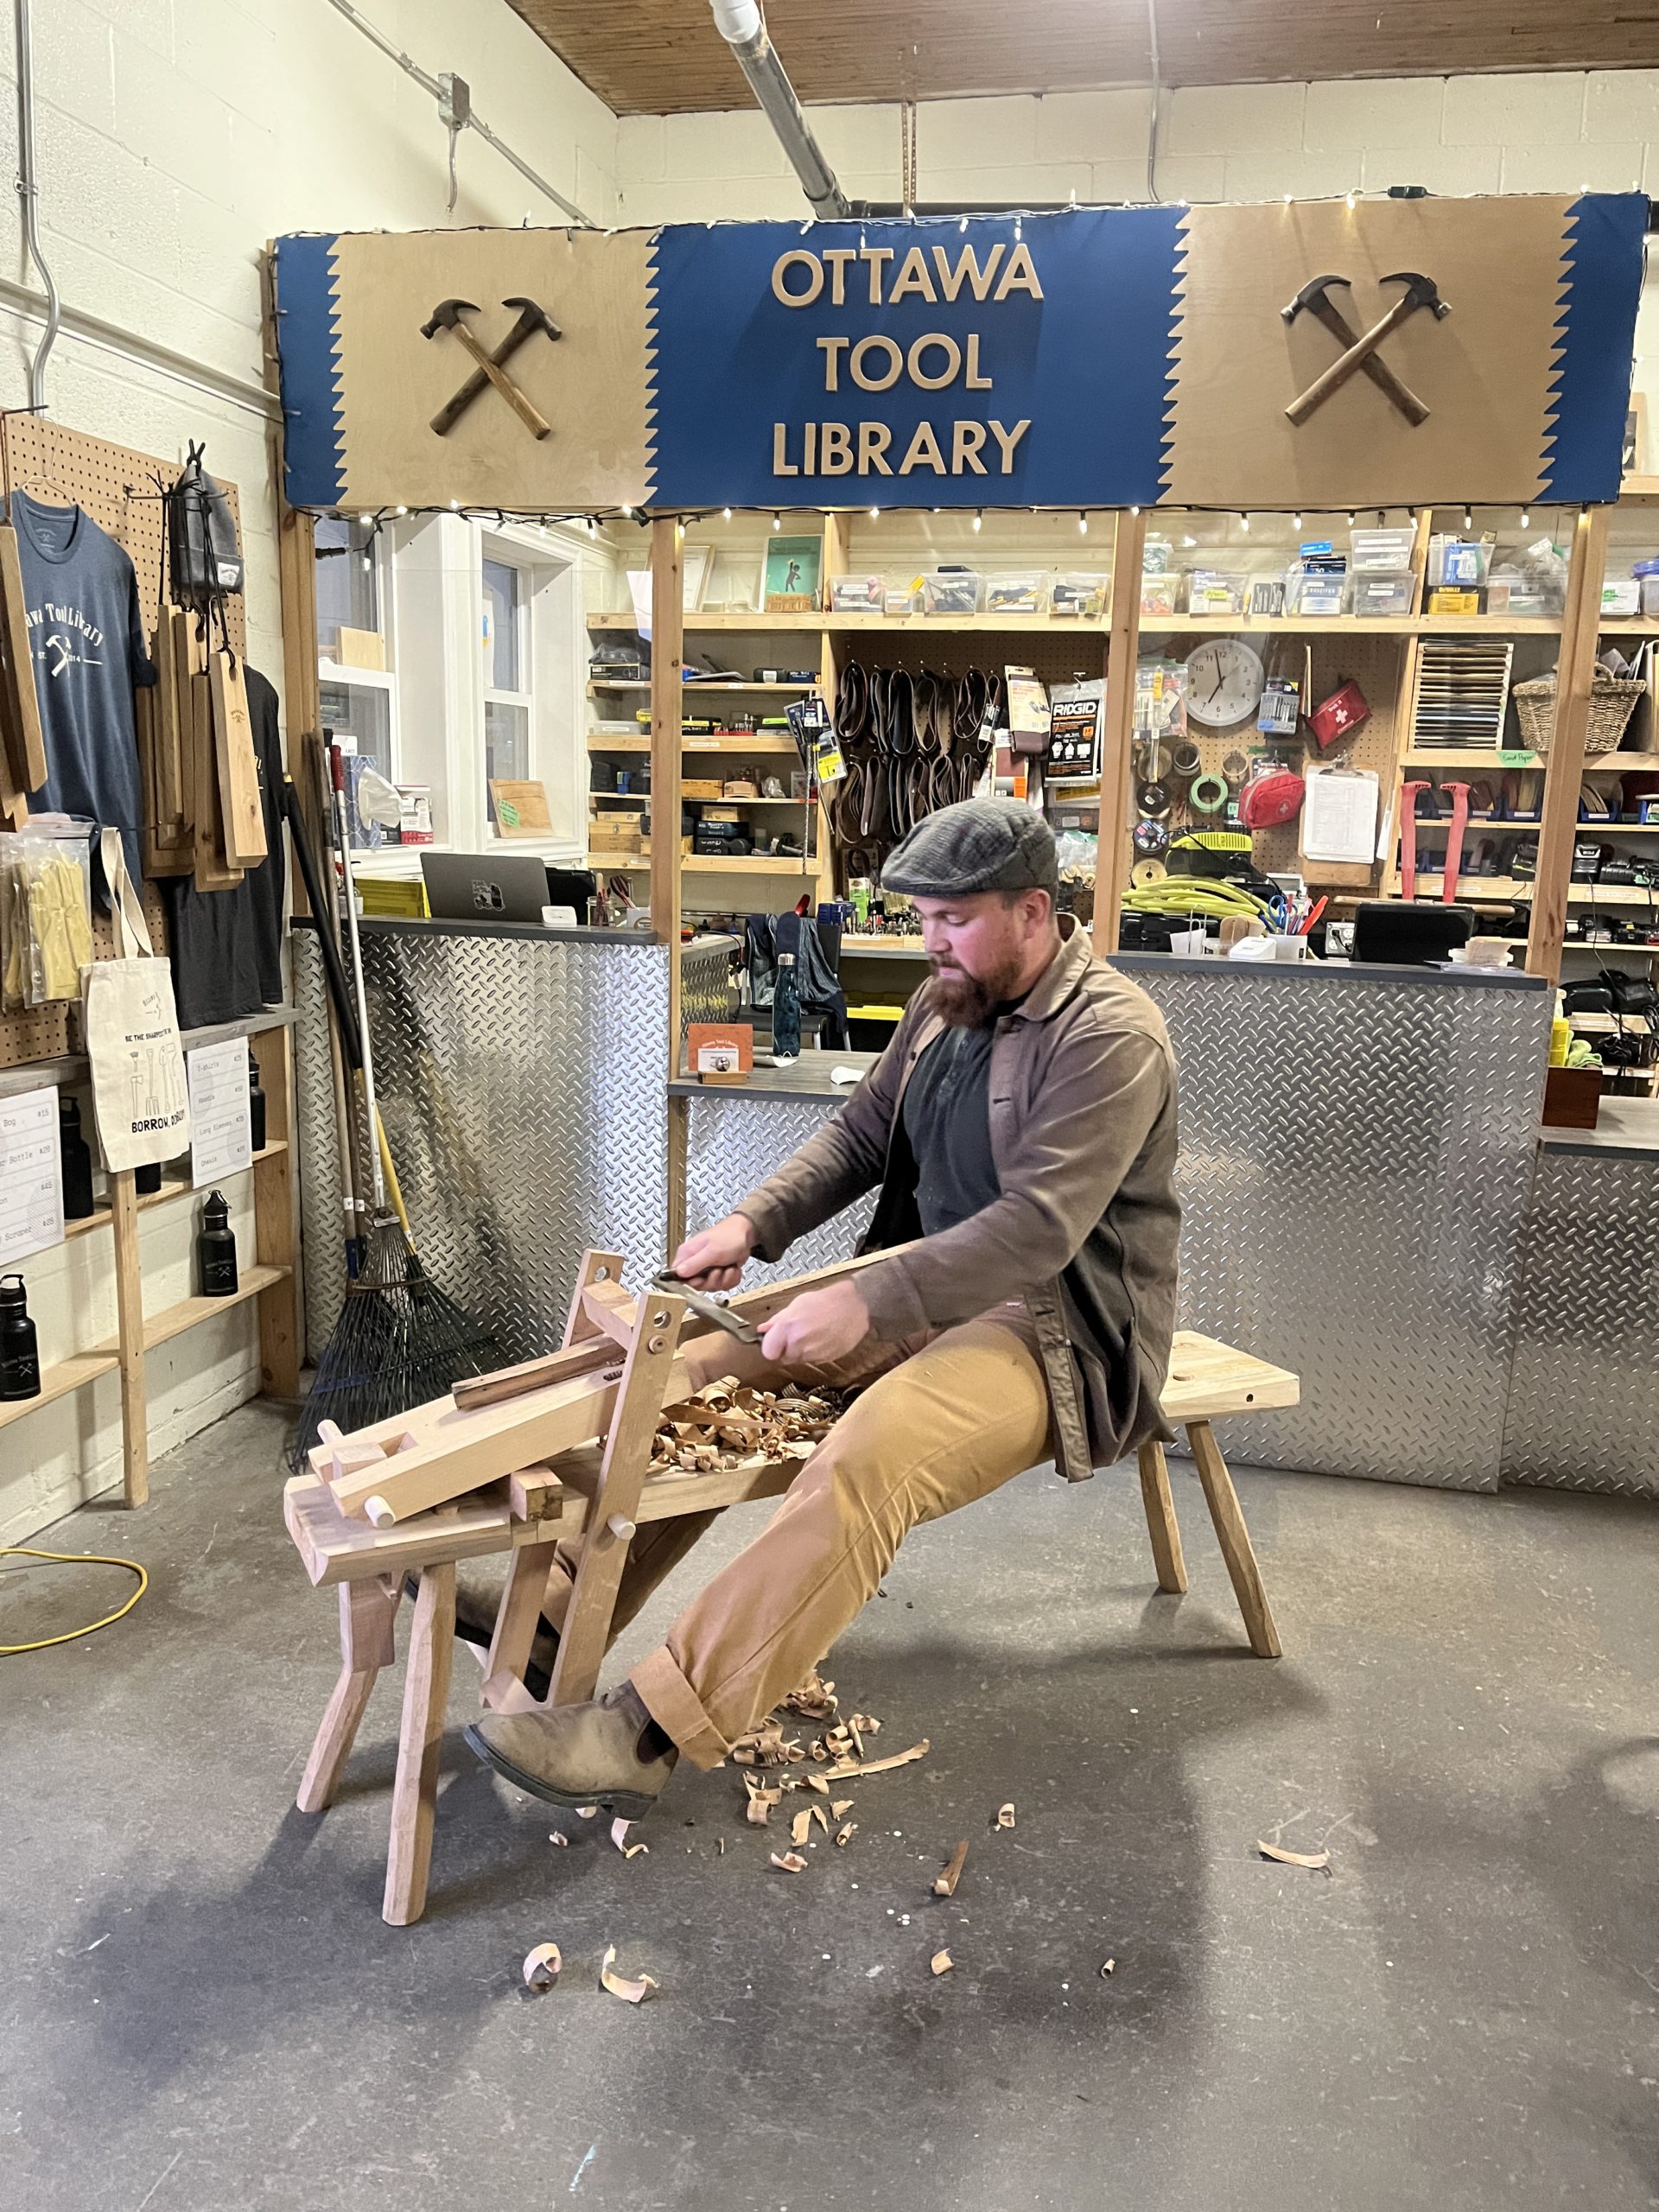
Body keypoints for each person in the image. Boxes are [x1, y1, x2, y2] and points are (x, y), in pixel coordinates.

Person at [466, 798, 1181, 1820]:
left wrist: (868, 1298)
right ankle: (550, 1620)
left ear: (1033, 912)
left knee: (870, 1456)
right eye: (923, 918)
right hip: (930, 1285)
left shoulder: (1110, 1034)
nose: (932, 942)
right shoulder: (946, 1002)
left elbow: (1038, 1229)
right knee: (700, 1378)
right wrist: (751, 1223)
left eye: (954, 919)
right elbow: (858, 1135)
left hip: (1058, 1329)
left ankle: (648, 1730)